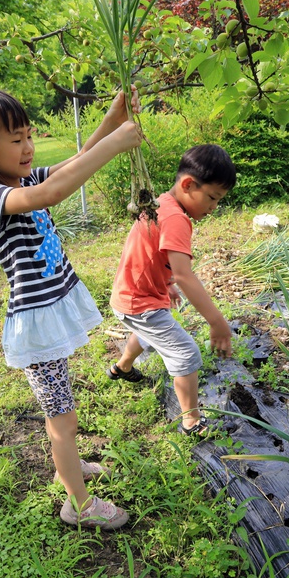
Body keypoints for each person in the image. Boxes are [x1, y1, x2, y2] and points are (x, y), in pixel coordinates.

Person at [0, 87, 142, 530]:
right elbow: (48, 195)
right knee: (62, 421)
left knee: (63, 411)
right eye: (16, 139)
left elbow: (74, 165)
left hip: (49, 314)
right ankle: (79, 505)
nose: (28, 146)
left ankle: (66, 467)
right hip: (36, 328)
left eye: (29, 135)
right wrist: (116, 144)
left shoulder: (23, 179)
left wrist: (112, 118)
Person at [107, 144, 236, 436]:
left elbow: (152, 250)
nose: (213, 207)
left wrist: (166, 283)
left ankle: (122, 367)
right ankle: (192, 421)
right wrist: (218, 324)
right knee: (185, 352)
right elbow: (185, 275)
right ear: (188, 184)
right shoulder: (177, 219)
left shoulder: (162, 203)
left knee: (146, 333)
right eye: (212, 198)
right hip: (139, 302)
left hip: (131, 295)